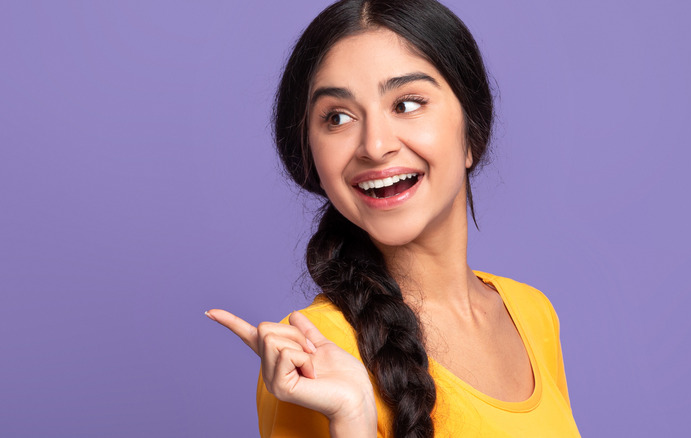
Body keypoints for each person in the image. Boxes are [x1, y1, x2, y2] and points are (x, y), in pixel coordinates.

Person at [206, 0, 580, 436]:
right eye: (338, 117)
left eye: (406, 104)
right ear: (311, 157)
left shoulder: (532, 313)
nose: (375, 145)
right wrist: (352, 419)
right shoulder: (312, 353)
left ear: (471, 134)